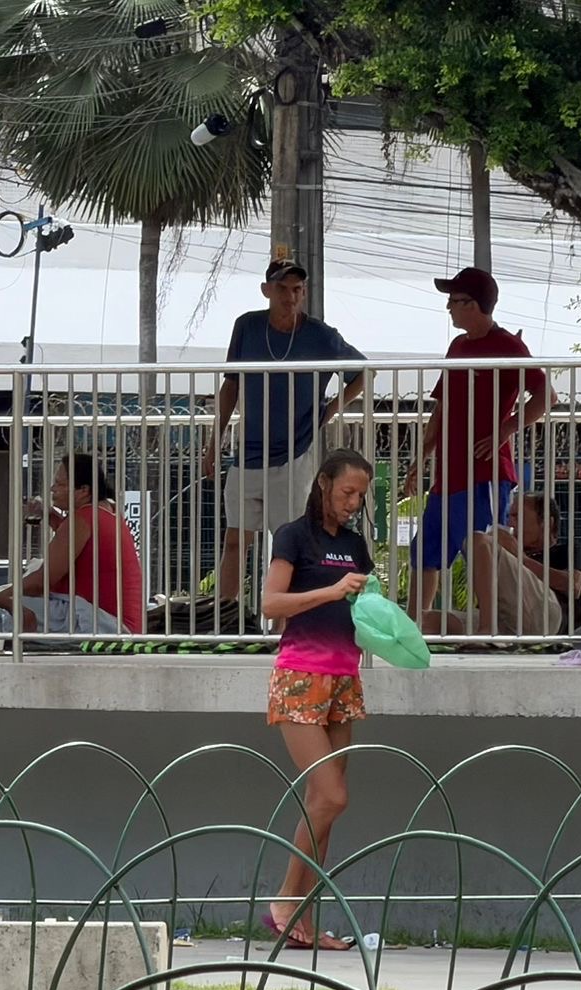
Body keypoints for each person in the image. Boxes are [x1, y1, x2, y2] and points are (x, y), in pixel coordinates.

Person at [260, 448, 375, 951]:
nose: (353, 503)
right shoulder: (293, 536)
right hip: (301, 676)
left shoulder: (354, 545)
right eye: (347, 492)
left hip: (344, 679)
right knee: (332, 796)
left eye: (361, 496)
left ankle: (303, 922)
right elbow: (270, 605)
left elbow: (364, 610)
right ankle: (285, 901)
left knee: (321, 808)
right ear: (324, 483)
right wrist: (331, 591)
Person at [203, 260, 367, 604]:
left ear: (304, 293)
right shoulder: (247, 326)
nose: (290, 297)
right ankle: (223, 618)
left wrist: (329, 410)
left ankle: (284, 624)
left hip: (295, 451)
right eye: (282, 289)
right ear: (267, 291)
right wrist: (213, 443)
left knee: (287, 543)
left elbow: (363, 373)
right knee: (235, 538)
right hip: (247, 452)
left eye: (297, 290)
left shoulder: (321, 334)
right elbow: (230, 386)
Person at [404, 267, 556, 621]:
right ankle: (415, 626)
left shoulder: (508, 346)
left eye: (454, 301)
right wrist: (424, 454)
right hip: (448, 470)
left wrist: (507, 428)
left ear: (473, 304)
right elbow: (442, 404)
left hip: (484, 470)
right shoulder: (457, 346)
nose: (449, 309)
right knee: (426, 548)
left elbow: (545, 396)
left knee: (481, 543)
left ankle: (491, 627)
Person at [0, 456, 145, 635]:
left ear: (83, 490)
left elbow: (41, 582)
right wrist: (50, 516)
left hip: (98, 622)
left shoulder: (82, 519)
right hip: (114, 622)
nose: (52, 489)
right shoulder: (107, 511)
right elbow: (76, 541)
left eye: (60, 484)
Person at [424, 492, 581, 637]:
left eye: (517, 516)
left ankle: (487, 631)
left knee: (479, 540)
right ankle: (488, 628)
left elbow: (573, 586)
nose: (510, 522)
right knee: (427, 621)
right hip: (505, 619)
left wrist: (521, 558)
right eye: (509, 516)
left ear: (547, 522)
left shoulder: (567, 550)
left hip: (546, 618)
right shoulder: (506, 554)